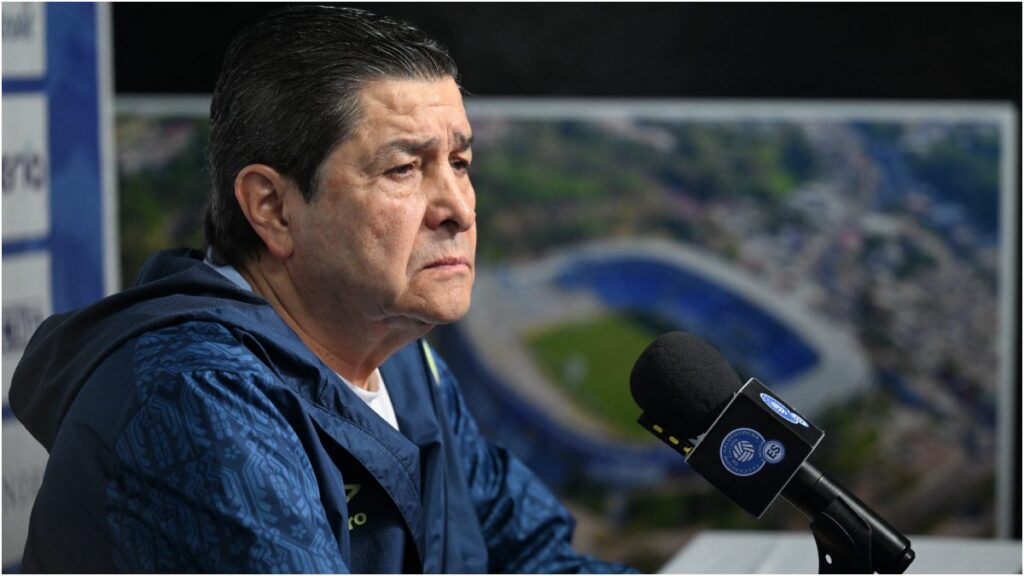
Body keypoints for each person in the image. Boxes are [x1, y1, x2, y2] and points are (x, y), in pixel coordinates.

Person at [9, 5, 636, 573]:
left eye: (461, 164)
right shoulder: (198, 396)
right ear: (273, 209)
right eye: (404, 169)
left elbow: (536, 557)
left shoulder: (406, 363)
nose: (458, 209)